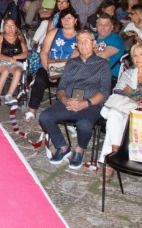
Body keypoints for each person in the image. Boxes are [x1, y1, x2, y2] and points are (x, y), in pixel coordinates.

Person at [39, 30, 113, 169]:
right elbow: (61, 87)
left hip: (91, 104)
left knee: (84, 124)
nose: (83, 44)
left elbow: (104, 92)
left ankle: (79, 149)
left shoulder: (102, 65)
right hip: (70, 101)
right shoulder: (71, 63)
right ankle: (62, 146)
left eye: (86, 41)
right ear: (76, 45)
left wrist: (86, 103)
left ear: (94, 43)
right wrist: (65, 100)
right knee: (45, 117)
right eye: (79, 41)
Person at [98, 43, 142, 173]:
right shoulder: (128, 73)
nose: (137, 58)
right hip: (125, 108)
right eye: (135, 55)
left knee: (120, 118)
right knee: (113, 114)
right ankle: (115, 153)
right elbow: (118, 90)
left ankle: (111, 162)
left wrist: (131, 92)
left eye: (141, 55)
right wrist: (139, 96)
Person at [26, 7, 80, 123]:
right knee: (40, 79)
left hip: (69, 69)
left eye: (69, 18)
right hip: (50, 65)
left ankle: (70, 114)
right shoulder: (54, 33)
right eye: (64, 18)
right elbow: (44, 52)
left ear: (75, 20)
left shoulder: (80, 36)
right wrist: (51, 71)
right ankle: (32, 110)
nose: (66, 21)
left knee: (70, 84)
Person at [0, 18, 28, 106]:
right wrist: (8, 58)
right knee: (5, 71)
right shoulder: (0, 37)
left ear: (16, 27)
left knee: (18, 71)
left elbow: (25, 53)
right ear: (4, 28)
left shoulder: (19, 37)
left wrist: (14, 57)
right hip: (1, 61)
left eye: (12, 25)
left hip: (15, 62)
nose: (10, 28)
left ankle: (9, 95)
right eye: (7, 26)